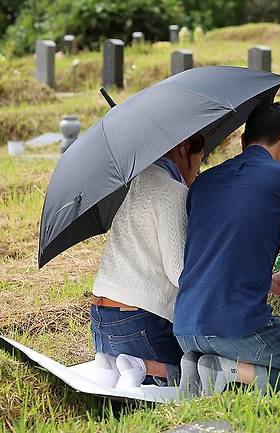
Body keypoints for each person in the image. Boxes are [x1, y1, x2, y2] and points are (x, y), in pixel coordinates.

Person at [174, 102, 280, 397]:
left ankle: (202, 364)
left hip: (186, 327)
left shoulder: (204, 183)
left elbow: (217, 255)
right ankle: (229, 370)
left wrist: (267, 280)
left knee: (278, 342)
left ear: (242, 141)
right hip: (236, 328)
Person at [89, 134, 205, 389]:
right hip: (137, 325)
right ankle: (142, 366)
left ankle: (110, 361)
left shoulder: (135, 183)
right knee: (197, 369)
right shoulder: (172, 190)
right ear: (183, 147)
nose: (198, 170)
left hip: (100, 321)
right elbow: (179, 273)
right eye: (200, 159)